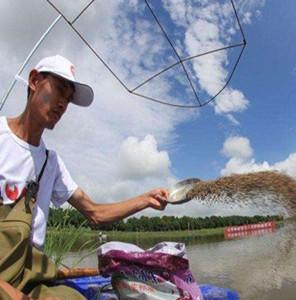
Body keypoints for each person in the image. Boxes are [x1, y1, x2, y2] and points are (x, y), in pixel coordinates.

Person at [0, 55, 169, 299]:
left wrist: (146, 199)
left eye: (68, 99)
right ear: (35, 81)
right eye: (59, 90)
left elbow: (95, 213)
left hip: (24, 278)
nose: (62, 105)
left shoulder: (51, 163)